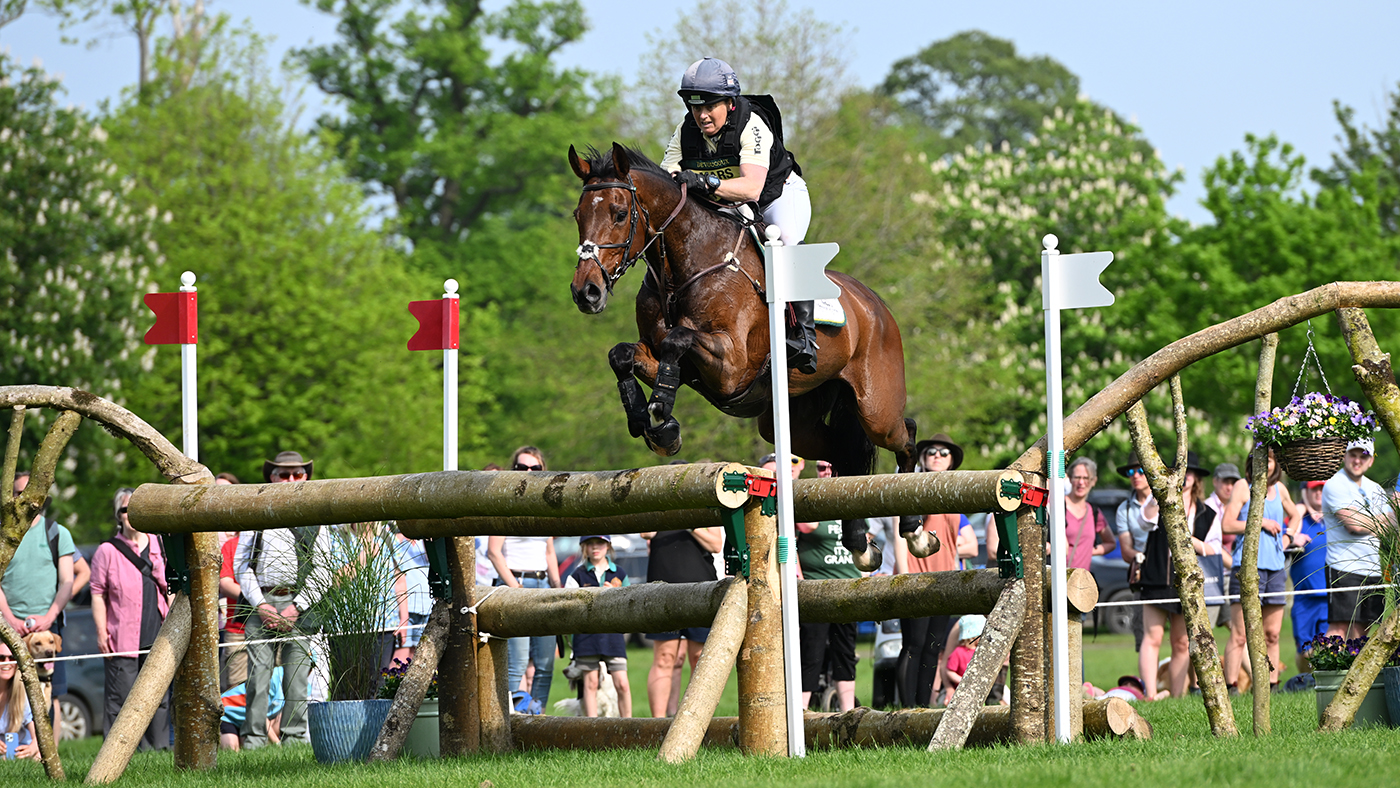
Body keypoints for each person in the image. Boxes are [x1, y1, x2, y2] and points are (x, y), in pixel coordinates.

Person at [659, 57, 816, 373]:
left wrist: (704, 181)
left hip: (776, 196)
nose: (701, 115)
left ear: (729, 103)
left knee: (785, 241)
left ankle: (805, 337)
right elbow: (667, 179)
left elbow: (752, 189)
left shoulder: (751, 124)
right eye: (694, 107)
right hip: (727, 203)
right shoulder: (685, 130)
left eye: (709, 107)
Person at [234, 450, 335, 749]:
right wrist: (261, 605)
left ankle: (294, 740)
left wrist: (297, 606)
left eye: (297, 474)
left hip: (301, 603)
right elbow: (242, 564)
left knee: (297, 679)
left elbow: (324, 569)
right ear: (272, 477)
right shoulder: (255, 511)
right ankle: (252, 741)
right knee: (256, 677)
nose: (290, 479)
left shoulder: (317, 516)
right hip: (260, 599)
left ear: (306, 477)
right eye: (283, 474)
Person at [768, 456, 860, 712]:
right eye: (822, 467)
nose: (827, 472)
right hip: (816, 589)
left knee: (846, 652)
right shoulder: (808, 499)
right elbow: (805, 526)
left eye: (833, 467)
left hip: (848, 588)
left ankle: (848, 712)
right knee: (811, 652)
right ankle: (802, 713)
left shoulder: (850, 498)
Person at [893, 434, 977, 707]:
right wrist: (904, 576)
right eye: (931, 451)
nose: (937, 456)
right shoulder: (911, 486)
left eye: (944, 452)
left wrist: (954, 574)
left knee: (933, 650)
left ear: (952, 460)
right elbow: (899, 534)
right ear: (922, 458)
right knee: (913, 645)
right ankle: (907, 710)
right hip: (914, 578)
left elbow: (959, 543)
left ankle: (923, 708)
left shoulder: (955, 493)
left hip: (943, 581)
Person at [639, 459, 723, 718]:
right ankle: (658, 723)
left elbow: (716, 544)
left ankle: (697, 719)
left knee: (699, 660)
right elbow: (645, 533)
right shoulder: (658, 506)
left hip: (701, 589)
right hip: (662, 589)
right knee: (664, 658)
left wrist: (688, 520)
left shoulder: (703, 505)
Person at [89, 487, 171, 748]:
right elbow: (97, 593)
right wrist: (102, 632)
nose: (130, 514)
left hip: (157, 632)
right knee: (121, 699)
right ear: (118, 514)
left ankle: (157, 751)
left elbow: (171, 586)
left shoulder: (160, 544)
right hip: (121, 637)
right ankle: (117, 754)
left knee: (158, 698)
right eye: (125, 509)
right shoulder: (107, 551)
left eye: (135, 509)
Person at [0, 470, 75, 739]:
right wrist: (8, 618)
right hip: (7, 627)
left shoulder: (57, 533)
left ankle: (47, 753)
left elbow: (68, 580)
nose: (24, 499)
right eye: (18, 493)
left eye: (28, 493)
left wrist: (50, 616)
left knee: (50, 691)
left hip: (48, 626)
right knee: (6, 689)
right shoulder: (3, 535)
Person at [488, 446, 561, 712]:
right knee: (516, 662)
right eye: (522, 468)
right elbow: (493, 553)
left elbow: (549, 550)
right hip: (515, 584)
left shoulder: (546, 507)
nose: (529, 473)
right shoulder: (504, 504)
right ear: (513, 470)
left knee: (544, 664)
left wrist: (557, 587)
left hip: (543, 585)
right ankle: (511, 719)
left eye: (535, 469)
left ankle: (538, 717)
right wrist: (515, 587)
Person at [1136, 452, 1214, 698]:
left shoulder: (1206, 512)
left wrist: (1190, 540)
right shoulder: (1160, 500)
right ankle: (1150, 694)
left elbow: (1214, 549)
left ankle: (1176, 695)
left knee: (1182, 642)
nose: (1186, 476)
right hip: (1157, 578)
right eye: (1181, 470)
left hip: (1187, 581)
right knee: (1153, 636)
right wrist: (1159, 492)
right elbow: (1144, 521)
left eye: (1190, 472)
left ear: (1197, 478)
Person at [1222, 448, 1300, 691]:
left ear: (1274, 464)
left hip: (1276, 570)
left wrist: (1287, 541)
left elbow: (1295, 516)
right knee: (1240, 634)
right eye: (1258, 460)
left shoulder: (1280, 490)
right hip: (1246, 568)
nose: (1264, 465)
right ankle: (1231, 688)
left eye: (1268, 461)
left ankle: (1272, 686)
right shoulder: (1242, 487)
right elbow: (1227, 523)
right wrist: (1261, 522)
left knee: (1272, 634)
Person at [1322, 439, 1391, 639]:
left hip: (1373, 568)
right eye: (1353, 454)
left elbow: (1390, 526)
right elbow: (1354, 525)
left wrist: (1368, 520)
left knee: (1365, 631)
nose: (1358, 460)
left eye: (1364, 456)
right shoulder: (1335, 484)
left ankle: (1355, 671)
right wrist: (1379, 521)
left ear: (1371, 461)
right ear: (1344, 456)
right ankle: (1328, 670)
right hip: (1343, 567)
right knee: (1339, 629)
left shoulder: (1376, 488)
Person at [563, 535, 633, 718]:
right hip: (587, 635)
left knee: (622, 683)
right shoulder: (577, 575)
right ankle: (592, 728)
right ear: (584, 547)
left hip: (613, 634)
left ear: (608, 546)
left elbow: (631, 604)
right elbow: (569, 606)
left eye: (600, 543)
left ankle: (630, 727)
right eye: (590, 543)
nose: (595, 547)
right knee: (590, 682)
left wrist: (616, 596)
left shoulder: (620, 573)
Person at [1113, 453, 1152, 653]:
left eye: (1140, 471)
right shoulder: (1124, 509)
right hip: (1142, 574)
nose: (1135, 475)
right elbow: (1126, 550)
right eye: (1131, 471)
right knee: (1142, 633)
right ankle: (1146, 684)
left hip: (1171, 571)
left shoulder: (1165, 501)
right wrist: (1140, 557)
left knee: (1182, 636)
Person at [1291, 480, 1329, 673]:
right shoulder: (1297, 520)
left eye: (1322, 488)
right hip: (1304, 597)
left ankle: (1321, 684)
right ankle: (1305, 682)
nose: (1319, 493)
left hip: (1329, 597)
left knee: (1327, 648)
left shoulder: (1334, 519)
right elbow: (1283, 539)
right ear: (1306, 492)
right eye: (1315, 489)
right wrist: (1293, 534)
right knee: (1305, 651)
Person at [1060, 458, 1113, 570]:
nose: (1081, 482)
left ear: (1094, 481)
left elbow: (1110, 543)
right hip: (1058, 580)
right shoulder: (1057, 506)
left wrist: (1088, 551)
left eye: (1086, 478)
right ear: (1069, 479)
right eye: (1077, 477)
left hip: (1082, 582)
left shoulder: (1094, 512)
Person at [390, 526, 431, 666]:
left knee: (416, 657)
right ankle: (392, 687)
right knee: (400, 655)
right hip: (407, 606)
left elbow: (430, 555)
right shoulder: (395, 539)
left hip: (427, 605)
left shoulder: (428, 539)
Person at [220, 665, 284, 751]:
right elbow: (259, 712)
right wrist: (277, 744)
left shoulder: (304, 686)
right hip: (228, 715)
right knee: (231, 749)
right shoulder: (273, 678)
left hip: (250, 719)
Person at [0, 642, 39, 760]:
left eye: (12, 658)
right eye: (1, 658)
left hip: (19, 751)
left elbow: (38, 736)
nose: (7, 662)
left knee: (39, 755)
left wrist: (33, 747)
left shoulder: (24, 694)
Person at [943, 614, 985, 704]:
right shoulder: (958, 652)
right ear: (974, 636)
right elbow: (949, 670)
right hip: (960, 689)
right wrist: (962, 680)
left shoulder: (980, 651)